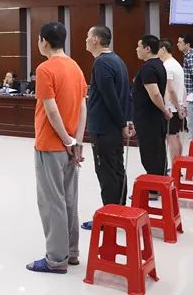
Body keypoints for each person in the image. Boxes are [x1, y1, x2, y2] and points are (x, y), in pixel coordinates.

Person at [26, 22, 87, 274]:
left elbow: (50, 110)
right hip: (70, 145)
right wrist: (76, 142)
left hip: (51, 144)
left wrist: (65, 139)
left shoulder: (45, 69)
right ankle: (71, 253)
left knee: (53, 202)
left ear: (44, 41)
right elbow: (83, 107)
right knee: (69, 199)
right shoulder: (75, 66)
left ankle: (56, 259)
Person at [83, 26, 132, 228]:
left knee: (107, 173)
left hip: (105, 128)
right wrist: (126, 120)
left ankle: (110, 218)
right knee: (116, 169)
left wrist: (122, 123)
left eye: (88, 37)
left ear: (95, 39)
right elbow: (125, 95)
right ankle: (119, 211)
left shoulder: (102, 63)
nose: (85, 40)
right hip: (112, 127)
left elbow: (110, 97)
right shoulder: (117, 60)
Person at [133, 35, 171, 177]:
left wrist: (164, 110)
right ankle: (160, 180)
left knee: (151, 155)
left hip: (148, 119)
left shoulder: (148, 68)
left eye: (139, 46)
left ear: (147, 48)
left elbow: (155, 94)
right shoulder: (159, 64)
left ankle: (155, 184)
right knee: (158, 152)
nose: (136, 49)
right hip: (154, 118)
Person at [158, 39, 186, 169]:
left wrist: (177, 107)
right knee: (176, 136)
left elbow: (170, 90)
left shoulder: (167, 66)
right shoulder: (176, 64)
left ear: (163, 49)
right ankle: (178, 165)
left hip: (172, 107)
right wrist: (181, 106)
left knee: (171, 137)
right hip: (177, 105)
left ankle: (175, 167)